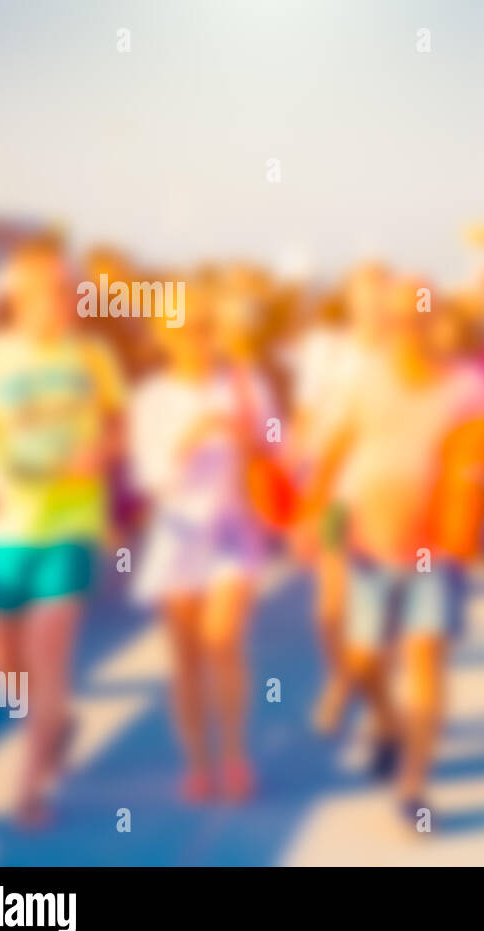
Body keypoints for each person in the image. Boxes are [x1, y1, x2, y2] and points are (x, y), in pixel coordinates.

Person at [0, 235, 125, 826]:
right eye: (51, 291)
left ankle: (31, 787)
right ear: (18, 298)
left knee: (49, 656)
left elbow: (117, 424)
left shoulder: (92, 356)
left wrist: (103, 453)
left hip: (67, 526)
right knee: (0, 657)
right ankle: (54, 723)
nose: (64, 299)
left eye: (69, 290)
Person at [304, 276, 484, 829]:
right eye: (396, 320)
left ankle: (413, 786)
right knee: (365, 660)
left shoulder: (469, 384)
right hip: (370, 542)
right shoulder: (365, 378)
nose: (406, 330)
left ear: (436, 320)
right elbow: (334, 449)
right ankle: (389, 725)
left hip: (437, 549)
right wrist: (311, 515)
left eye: (418, 319)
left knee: (425, 657)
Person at [128, 272, 273, 802]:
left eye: (205, 326)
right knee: (185, 655)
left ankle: (234, 754)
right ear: (163, 335)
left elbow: (277, 445)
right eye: (185, 328)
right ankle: (197, 760)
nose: (197, 337)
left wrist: (251, 438)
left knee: (223, 639)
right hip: (178, 532)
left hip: (234, 529)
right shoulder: (151, 398)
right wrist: (189, 442)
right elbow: (147, 479)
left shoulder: (245, 383)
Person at [288, 263, 387, 735]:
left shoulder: (402, 356)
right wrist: (299, 499)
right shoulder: (326, 353)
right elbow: (306, 422)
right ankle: (342, 679)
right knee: (329, 610)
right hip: (332, 492)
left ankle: (373, 706)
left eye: (379, 295)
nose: (371, 305)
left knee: (377, 610)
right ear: (348, 300)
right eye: (362, 295)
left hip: (385, 496)